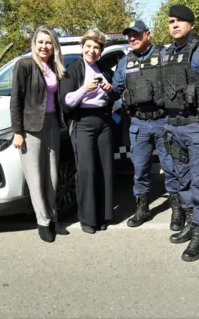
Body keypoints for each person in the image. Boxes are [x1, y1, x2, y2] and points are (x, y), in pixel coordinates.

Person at [111, 20, 189, 231]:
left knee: (171, 167)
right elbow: (115, 89)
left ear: (148, 34)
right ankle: (142, 208)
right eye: (129, 36)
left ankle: (177, 210)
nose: (132, 39)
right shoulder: (124, 63)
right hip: (139, 123)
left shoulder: (164, 55)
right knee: (140, 169)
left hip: (164, 121)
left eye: (136, 34)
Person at [161, 4, 199, 262]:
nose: (174, 25)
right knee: (181, 178)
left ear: (191, 25)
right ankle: (192, 221)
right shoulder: (167, 54)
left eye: (180, 21)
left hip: (198, 127)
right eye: (171, 21)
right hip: (174, 127)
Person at [10, 26, 68, 243]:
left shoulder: (55, 67)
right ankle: (42, 221)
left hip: (53, 124)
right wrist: (18, 132)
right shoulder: (24, 65)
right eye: (40, 42)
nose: (44, 46)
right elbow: (15, 100)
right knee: (35, 177)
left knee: (52, 175)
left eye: (49, 42)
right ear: (34, 44)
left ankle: (53, 217)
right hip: (31, 128)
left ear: (54, 46)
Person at [60, 29, 118, 234]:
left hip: (104, 121)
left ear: (101, 51)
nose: (92, 51)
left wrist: (110, 91)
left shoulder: (105, 69)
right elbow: (66, 102)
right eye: (89, 46)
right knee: (86, 170)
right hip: (82, 122)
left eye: (97, 47)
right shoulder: (72, 70)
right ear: (82, 47)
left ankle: (103, 215)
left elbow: (115, 97)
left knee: (105, 169)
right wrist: (84, 89)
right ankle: (87, 218)